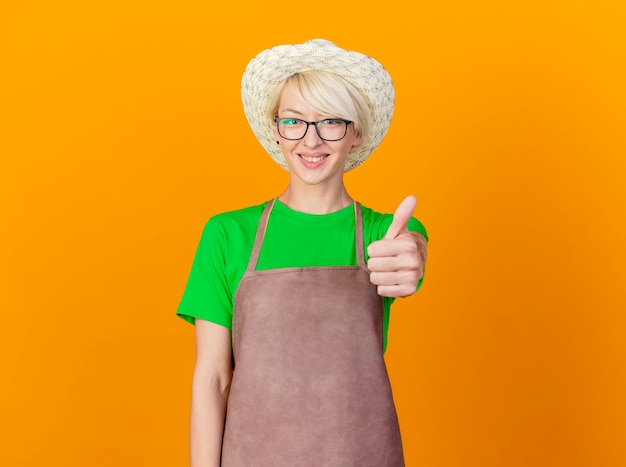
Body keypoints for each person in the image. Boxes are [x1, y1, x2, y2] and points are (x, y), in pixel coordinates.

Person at [177, 39, 428, 467]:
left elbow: (409, 255)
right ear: (276, 130)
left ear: (356, 131)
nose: (311, 140)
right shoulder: (226, 235)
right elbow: (213, 379)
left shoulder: (387, 233)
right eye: (294, 121)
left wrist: (412, 255)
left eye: (331, 121)